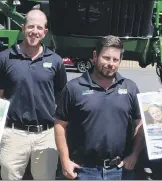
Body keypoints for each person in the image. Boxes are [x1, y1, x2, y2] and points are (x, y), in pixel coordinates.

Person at [0, 9, 67, 180]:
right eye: (31, 26)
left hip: (46, 135)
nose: (34, 31)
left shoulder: (55, 61)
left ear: (45, 32)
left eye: (39, 28)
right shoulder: (4, 59)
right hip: (13, 133)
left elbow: (61, 99)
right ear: (23, 28)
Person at [54, 35, 144, 180]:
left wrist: (134, 155)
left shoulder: (130, 87)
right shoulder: (74, 88)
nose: (111, 64)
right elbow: (60, 125)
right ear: (95, 56)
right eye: (106, 58)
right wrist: (65, 160)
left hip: (120, 170)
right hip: (84, 170)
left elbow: (140, 124)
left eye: (115, 60)